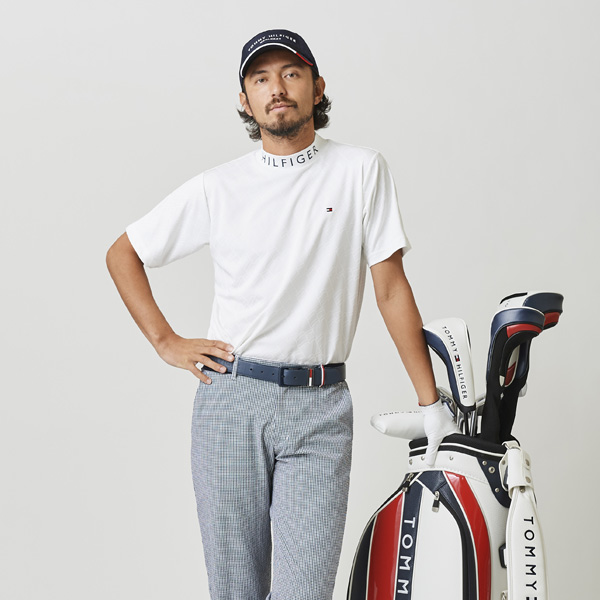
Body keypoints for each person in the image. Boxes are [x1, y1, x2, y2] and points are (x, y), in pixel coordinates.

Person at [106, 28, 457, 600]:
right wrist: (166, 341)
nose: (277, 88)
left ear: (317, 88)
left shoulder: (360, 170)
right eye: (261, 78)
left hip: (320, 407)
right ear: (245, 101)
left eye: (291, 74)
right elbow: (124, 253)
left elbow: (391, 288)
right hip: (230, 401)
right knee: (235, 591)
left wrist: (429, 402)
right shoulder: (219, 186)